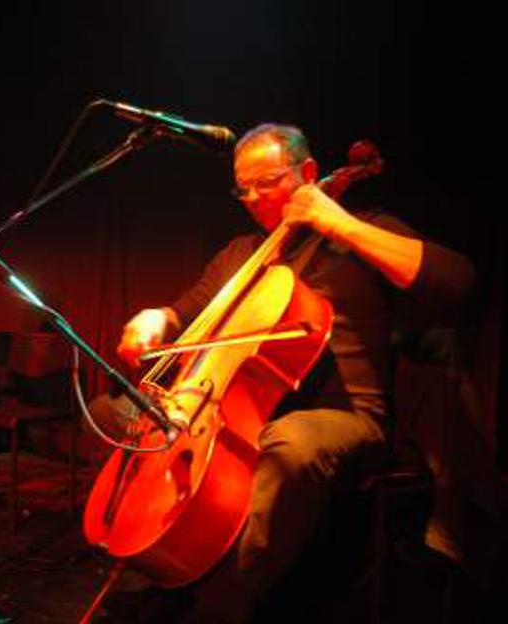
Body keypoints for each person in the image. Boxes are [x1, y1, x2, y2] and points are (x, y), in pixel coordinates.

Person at [116, 123, 475, 622]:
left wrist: (338, 223)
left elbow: (458, 282)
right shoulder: (240, 253)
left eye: (267, 182)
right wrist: (158, 317)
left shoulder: (361, 231)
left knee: (290, 441)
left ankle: (217, 611)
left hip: (344, 414)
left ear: (308, 173)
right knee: (118, 416)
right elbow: (187, 309)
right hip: (239, 412)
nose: (253, 198)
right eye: (243, 189)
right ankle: (160, 569)